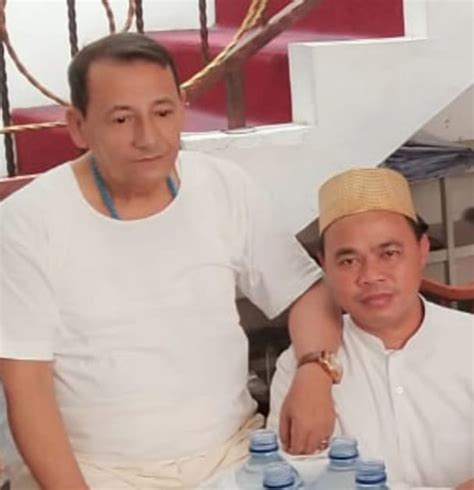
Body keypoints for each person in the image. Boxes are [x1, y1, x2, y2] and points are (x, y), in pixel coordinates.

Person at [0, 33, 342, 489]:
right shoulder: (26, 222)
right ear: (78, 126)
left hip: (233, 456)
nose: (148, 138)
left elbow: (306, 292)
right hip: (96, 472)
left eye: (162, 113)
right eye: (122, 119)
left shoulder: (223, 186)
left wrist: (316, 369)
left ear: (182, 108)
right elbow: (26, 387)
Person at [268, 168, 473, 489]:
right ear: (325, 265)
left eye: (389, 254)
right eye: (349, 261)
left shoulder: (468, 341)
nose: (370, 276)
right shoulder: (299, 370)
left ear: (421, 250)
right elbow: (295, 479)